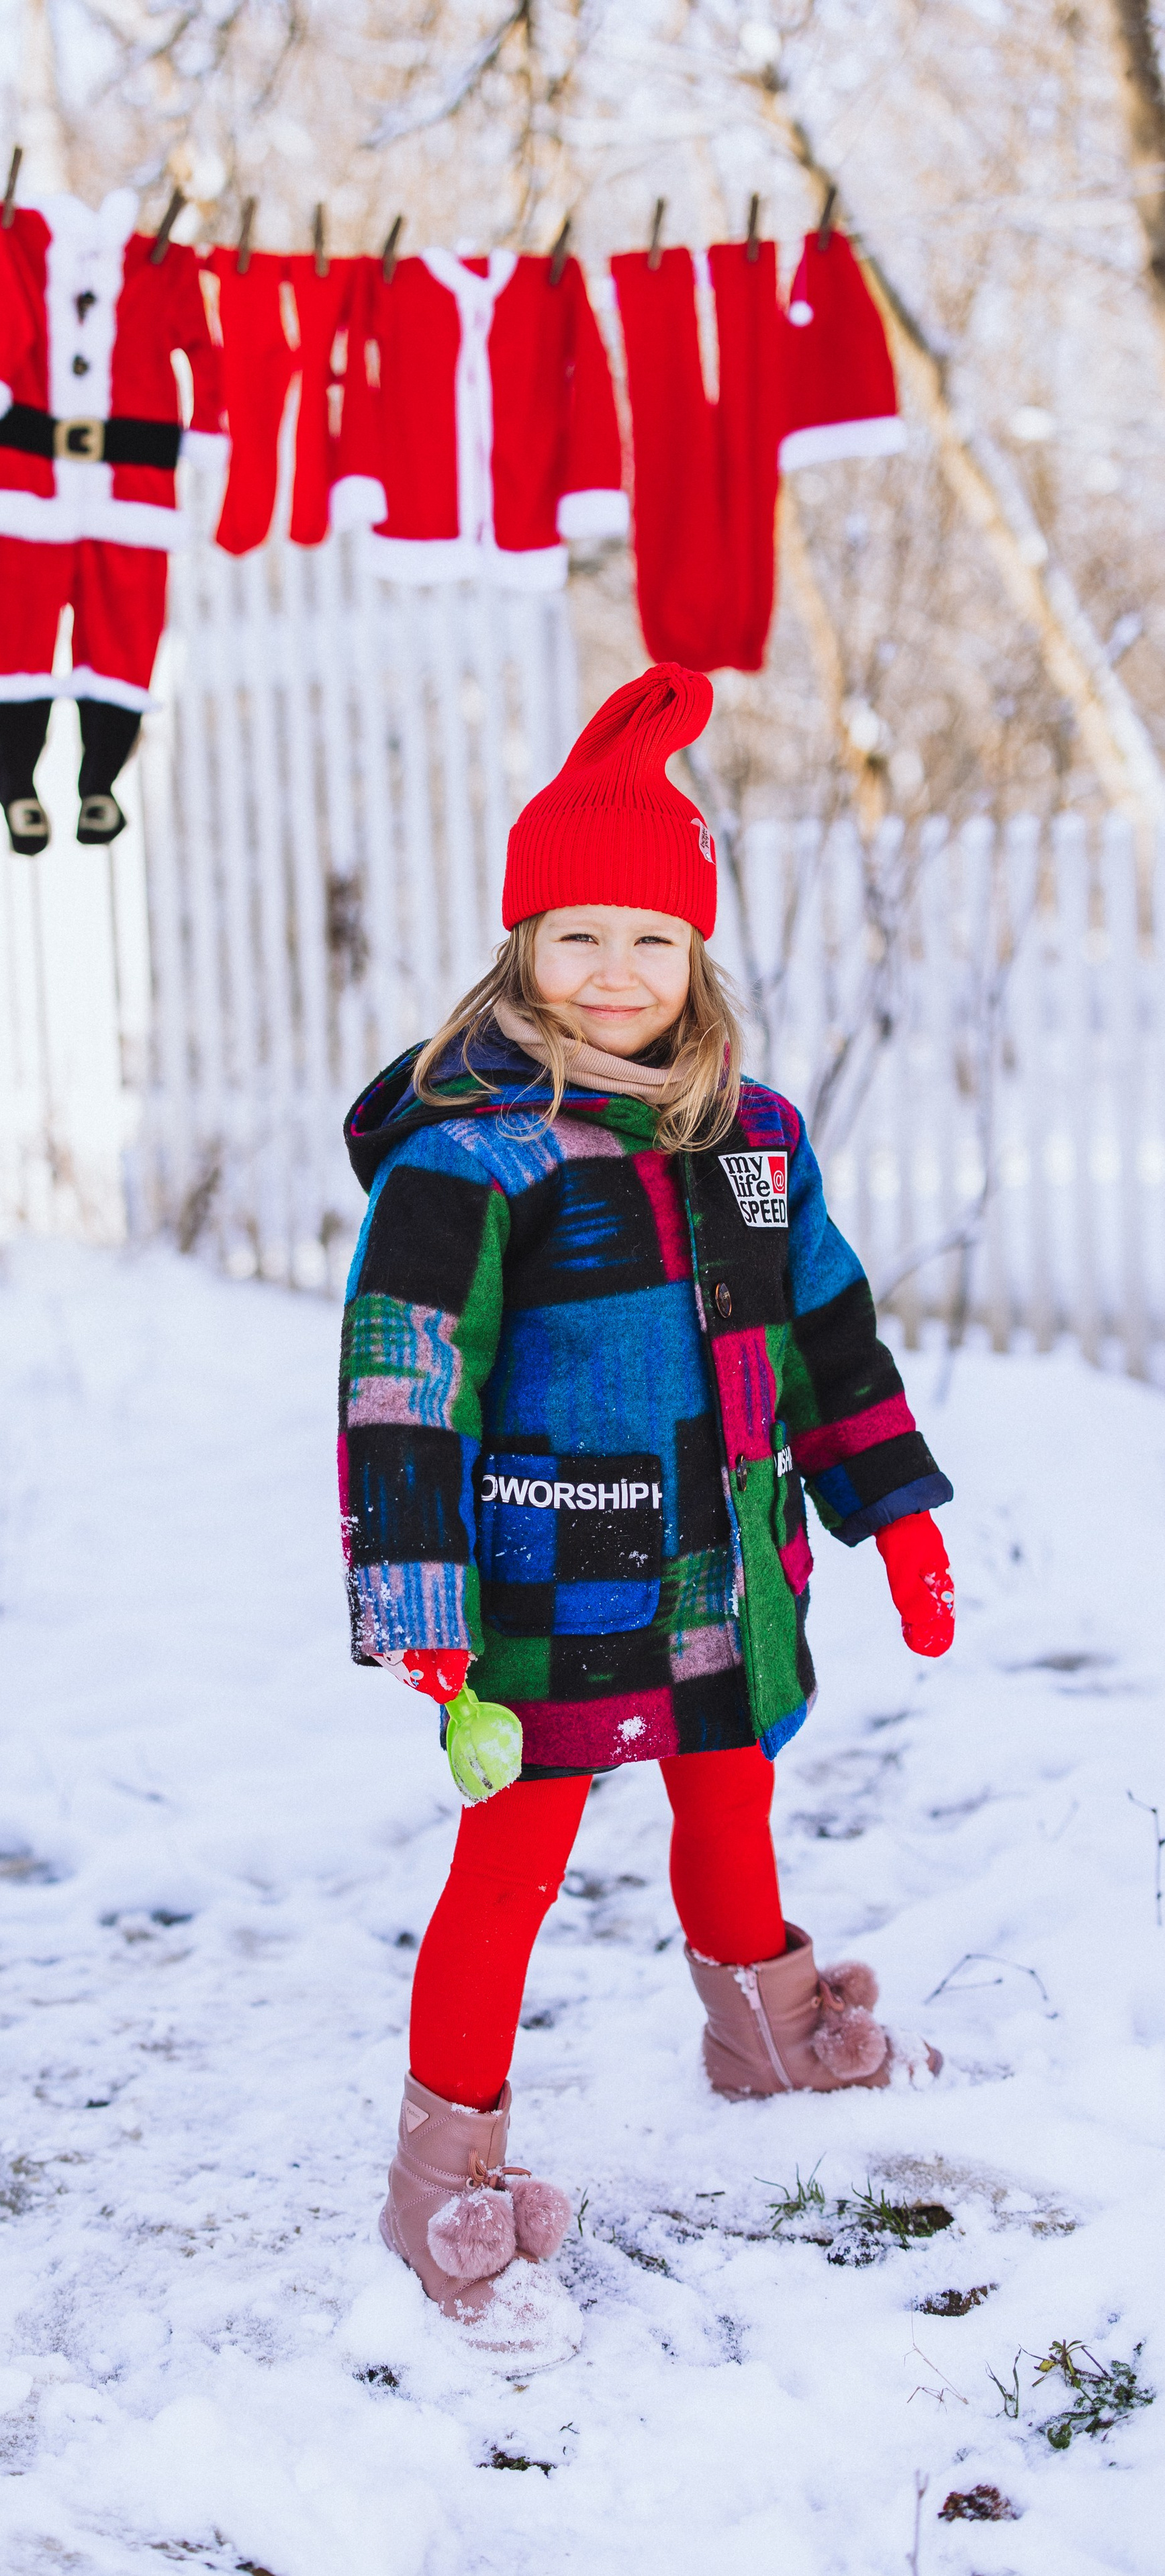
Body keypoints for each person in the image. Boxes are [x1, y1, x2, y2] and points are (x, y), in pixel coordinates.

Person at [338, 663, 955, 2358]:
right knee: (512, 1862)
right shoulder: (471, 1156)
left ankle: (760, 2031)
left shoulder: (750, 1139)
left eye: (651, 940)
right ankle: (442, 2174)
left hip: (724, 1556)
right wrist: (422, 1596)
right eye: (575, 937)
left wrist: (886, 1506)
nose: (614, 974)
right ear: (517, 950)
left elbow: (822, 1323)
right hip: (554, 1565)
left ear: (697, 956)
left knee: (730, 1792)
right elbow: (400, 1378)